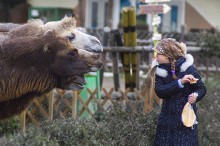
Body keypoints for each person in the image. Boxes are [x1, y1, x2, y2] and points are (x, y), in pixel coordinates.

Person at [151, 38, 207, 146]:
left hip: (185, 120)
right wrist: (179, 83)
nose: (156, 56)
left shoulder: (188, 69)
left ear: (168, 55)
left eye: (158, 53)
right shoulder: (160, 72)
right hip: (166, 120)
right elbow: (160, 91)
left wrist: (195, 95)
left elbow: (201, 89)